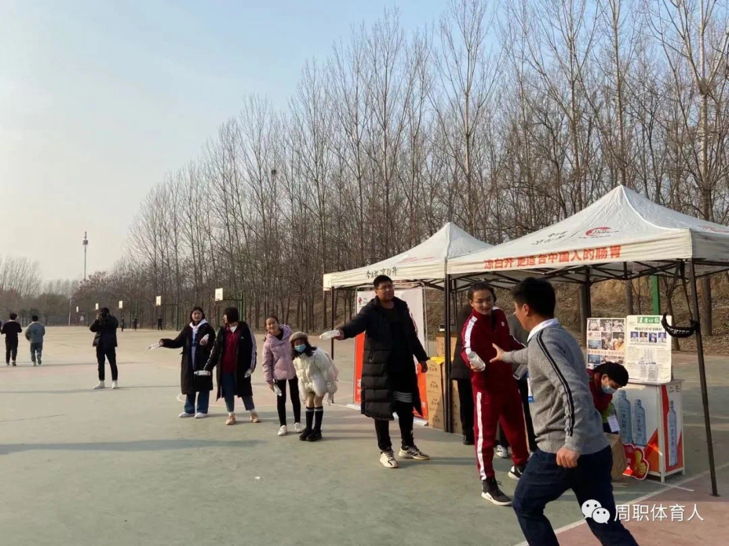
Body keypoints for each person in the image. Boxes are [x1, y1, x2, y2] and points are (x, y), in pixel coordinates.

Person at [492, 278, 638, 546]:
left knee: (525, 505)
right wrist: (506, 356)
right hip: (595, 448)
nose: (514, 313)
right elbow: (532, 356)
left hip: (561, 451)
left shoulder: (543, 343)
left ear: (525, 309)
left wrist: (572, 443)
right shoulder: (560, 336)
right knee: (603, 520)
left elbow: (574, 391)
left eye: (515, 308)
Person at [334, 275, 430, 469]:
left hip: (403, 368)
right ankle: (385, 451)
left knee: (405, 408)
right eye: (384, 287)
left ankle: (408, 445)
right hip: (380, 369)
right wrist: (342, 332)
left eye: (390, 286)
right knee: (382, 410)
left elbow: (411, 335)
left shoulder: (401, 307)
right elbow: (356, 324)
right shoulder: (371, 310)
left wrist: (421, 357)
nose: (388, 290)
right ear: (376, 291)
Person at [461, 282, 529, 505]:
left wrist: (527, 351)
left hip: (507, 383)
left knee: (516, 427)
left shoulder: (500, 316)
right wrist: (474, 363)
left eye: (488, 299)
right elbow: (466, 350)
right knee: (485, 437)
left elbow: (508, 340)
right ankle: (488, 482)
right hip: (486, 388)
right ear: (471, 303)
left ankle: (521, 466)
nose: (485, 304)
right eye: (479, 301)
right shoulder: (471, 325)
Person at [203, 307, 259, 425]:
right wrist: (208, 366)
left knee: (245, 391)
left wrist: (251, 367)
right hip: (224, 368)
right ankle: (231, 415)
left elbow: (253, 349)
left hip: (241, 368)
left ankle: (253, 413)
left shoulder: (245, 329)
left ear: (232, 315)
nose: (223, 317)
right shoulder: (222, 331)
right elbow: (215, 350)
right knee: (227, 392)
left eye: (225, 315)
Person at [158, 307, 216, 418]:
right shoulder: (187, 328)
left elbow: (214, 344)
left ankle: (202, 410)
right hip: (188, 361)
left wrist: (207, 344)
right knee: (189, 385)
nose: (196, 315)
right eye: (195, 313)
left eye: (199, 313)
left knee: (203, 386)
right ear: (191, 315)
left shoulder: (208, 328)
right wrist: (164, 342)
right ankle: (189, 410)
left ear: (202, 315)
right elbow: (177, 342)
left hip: (203, 361)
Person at [495, 314, 538, 458]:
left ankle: (506, 445)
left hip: (518, 369)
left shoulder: (507, 320)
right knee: (521, 410)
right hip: (520, 369)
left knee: (515, 410)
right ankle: (529, 447)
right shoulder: (510, 320)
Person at [290, 331, 338, 442]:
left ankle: (317, 430)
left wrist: (330, 386)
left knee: (317, 401)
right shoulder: (296, 359)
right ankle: (308, 428)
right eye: (296, 344)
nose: (299, 345)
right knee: (309, 401)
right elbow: (300, 375)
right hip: (308, 383)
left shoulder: (316, 354)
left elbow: (327, 370)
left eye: (301, 342)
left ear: (306, 342)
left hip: (320, 381)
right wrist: (303, 390)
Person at [262, 316, 302, 436]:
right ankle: (283, 425)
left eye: (273, 323)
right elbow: (266, 363)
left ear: (278, 323)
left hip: (294, 371)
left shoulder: (290, 335)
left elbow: (299, 349)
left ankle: (297, 422)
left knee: (295, 397)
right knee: (281, 399)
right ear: (266, 327)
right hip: (278, 374)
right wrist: (269, 380)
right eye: (268, 324)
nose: (271, 326)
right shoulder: (268, 343)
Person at [451, 304, 476, 445]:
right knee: (468, 401)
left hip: (466, 365)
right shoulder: (469, 313)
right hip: (466, 364)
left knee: (467, 401)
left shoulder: (466, 311)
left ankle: (468, 432)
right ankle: (468, 432)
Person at [589, 362, 629, 433]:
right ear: (605, 377)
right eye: (614, 386)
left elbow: (608, 412)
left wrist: (615, 433)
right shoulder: (584, 382)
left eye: (617, 388)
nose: (614, 390)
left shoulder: (607, 394)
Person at [90, 307, 120, 389]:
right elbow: (92, 329)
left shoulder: (112, 319)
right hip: (100, 344)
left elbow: (115, 325)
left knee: (112, 363)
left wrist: (108, 318)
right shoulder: (98, 320)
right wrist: (97, 320)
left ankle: (114, 381)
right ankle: (101, 381)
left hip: (110, 344)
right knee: (100, 364)